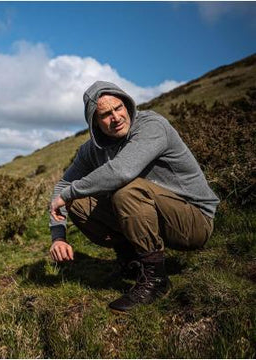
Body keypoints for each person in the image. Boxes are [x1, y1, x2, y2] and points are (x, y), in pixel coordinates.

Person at [49, 81, 219, 313]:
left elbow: (122, 171)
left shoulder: (152, 125)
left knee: (127, 190)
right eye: (106, 114)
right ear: (95, 122)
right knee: (77, 202)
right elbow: (63, 185)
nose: (116, 117)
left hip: (193, 221)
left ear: (127, 105)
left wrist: (69, 192)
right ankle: (132, 261)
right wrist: (58, 236)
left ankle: (156, 280)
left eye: (119, 108)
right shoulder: (91, 150)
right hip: (150, 215)